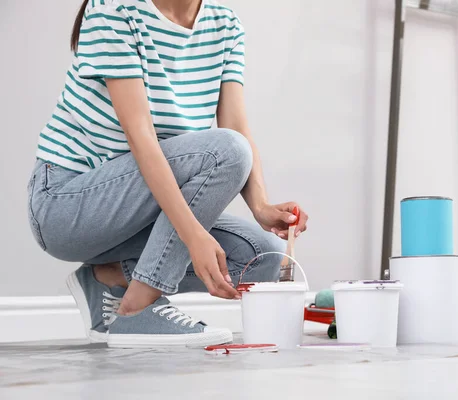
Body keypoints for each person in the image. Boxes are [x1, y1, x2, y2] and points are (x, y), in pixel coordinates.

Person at [26, 0, 308, 349]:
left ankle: (108, 278)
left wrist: (261, 206)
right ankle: (136, 308)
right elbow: (141, 137)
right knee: (227, 151)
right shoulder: (115, 8)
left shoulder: (225, 23)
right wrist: (192, 235)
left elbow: (235, 123)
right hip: (67, 205)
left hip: (142, 210)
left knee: (262, 256)